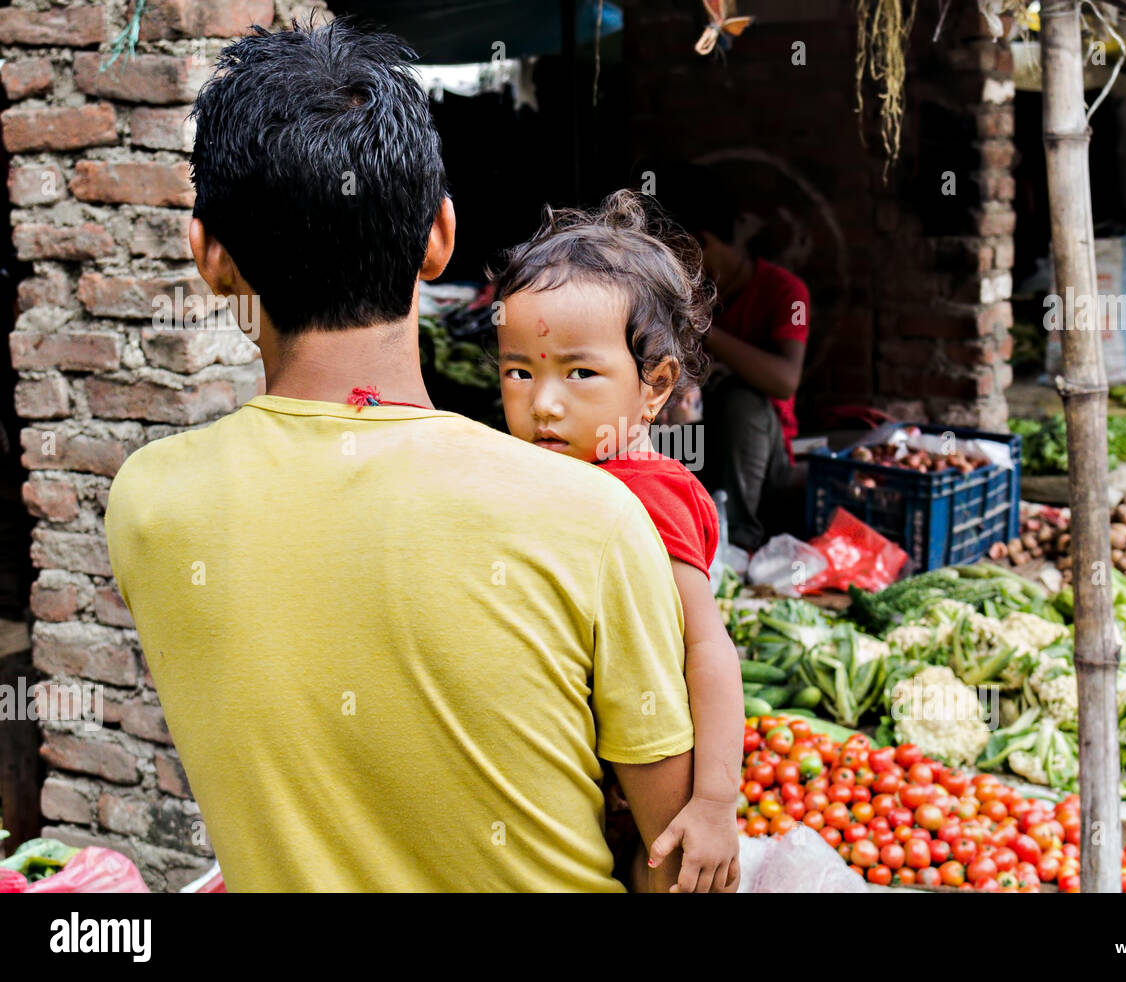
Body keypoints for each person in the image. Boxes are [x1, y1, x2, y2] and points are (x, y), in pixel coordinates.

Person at [105, 18, 698, 893]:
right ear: (440, 236)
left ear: (211, 259)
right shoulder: (595, 521)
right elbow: (676, 856)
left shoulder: (149, 502)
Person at [491, 190, 744, 893]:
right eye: (519, 370)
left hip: (655, 776)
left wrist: (717, 801)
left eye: (579, 373)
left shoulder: (649, 496)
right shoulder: (534, 474)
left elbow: (706, 647)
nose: (544, 402)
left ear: (656, 385)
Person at [652, 164, 811, 552]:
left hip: (761, 463)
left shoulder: (785, 291)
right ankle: (669, 531)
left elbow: (785, 380)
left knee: (742, 397)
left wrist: (704, 328)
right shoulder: (672, 296)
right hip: (698, 449)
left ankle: (741, 542)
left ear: (701, 243)